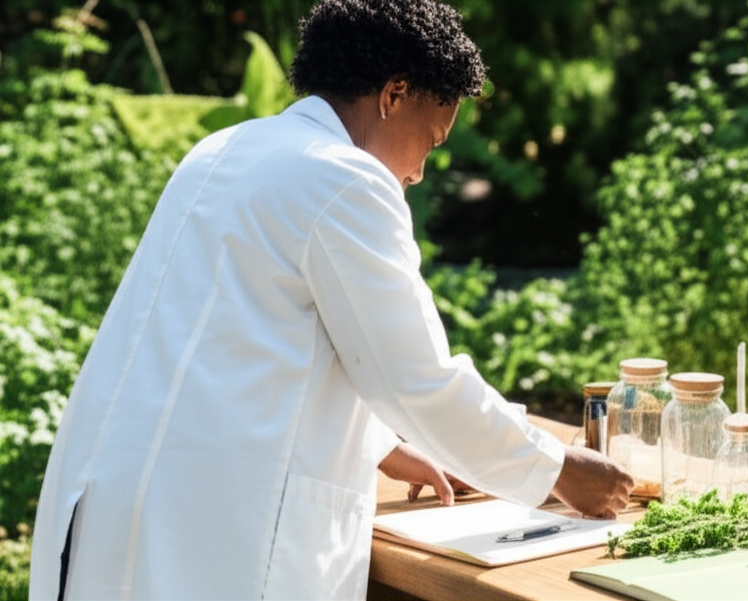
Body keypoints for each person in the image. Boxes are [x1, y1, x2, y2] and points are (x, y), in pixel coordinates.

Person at [28, 0, 634, 599]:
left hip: (113, 500)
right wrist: (559, 469)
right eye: (430, 139)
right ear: (394, 95)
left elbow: (229, 340)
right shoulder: (345, 179)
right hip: (207, 530)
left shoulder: (225, 149)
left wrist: (384, 446)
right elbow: (419, 380)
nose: (421, 170)